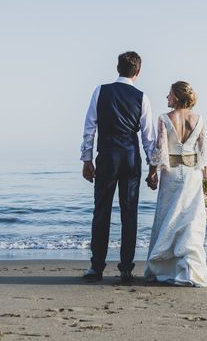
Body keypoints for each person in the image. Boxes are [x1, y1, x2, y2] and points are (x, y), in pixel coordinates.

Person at [80, 51, 157, 283]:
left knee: (101, 211)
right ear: (138, 71)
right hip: (131, 158)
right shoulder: (142, 97)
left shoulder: (100, 91)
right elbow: (148, 137)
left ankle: (96, 267)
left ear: (117, 67)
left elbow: (89, 127)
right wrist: (154, 167)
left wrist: (86, 159)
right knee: (129, 212)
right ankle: (125, 268)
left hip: (107, 156)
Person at [144, 81, 207, 287]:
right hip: (193, 175)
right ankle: (189, 269)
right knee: (190, 223)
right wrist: (206, 189)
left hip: (172, 175)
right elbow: (204, 157)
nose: (166, 98)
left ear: (176, 97)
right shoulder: (200, 120)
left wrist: (152, 173)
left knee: (169, 218)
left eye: (169, 94)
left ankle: (164, 267)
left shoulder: (164, 119)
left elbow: (159, 151)